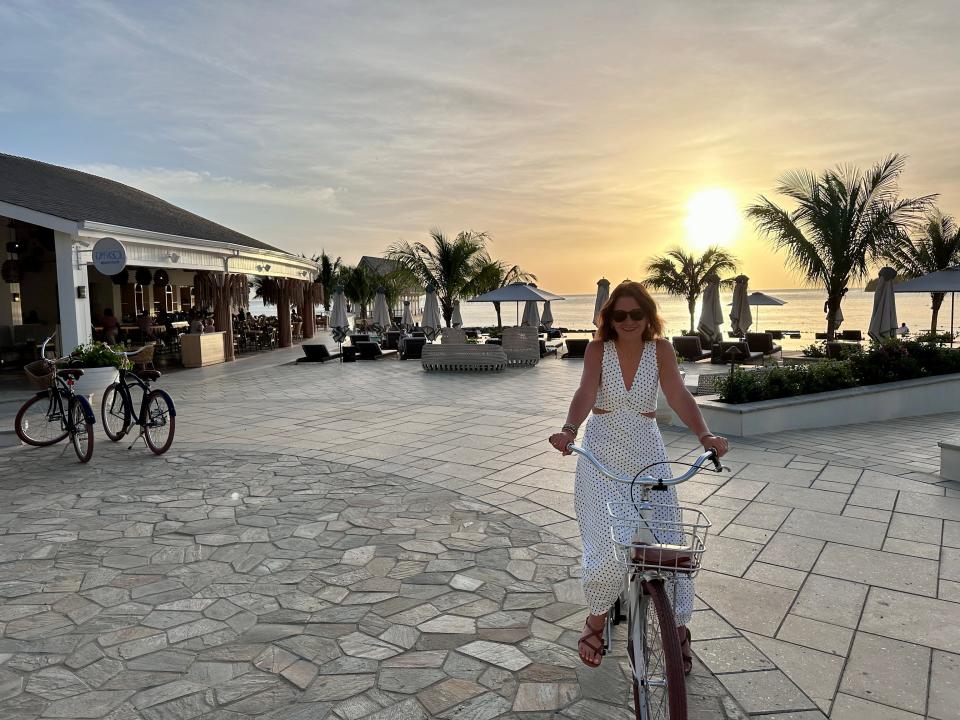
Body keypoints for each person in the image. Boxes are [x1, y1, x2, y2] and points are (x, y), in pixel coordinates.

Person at [548, 281, 729, 671]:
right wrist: (568, 429)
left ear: (648, 316)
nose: (628, 321)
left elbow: (678, 393)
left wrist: (705, 435)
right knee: (608, 550)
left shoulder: (660, 349)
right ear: (609, 319)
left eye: (636, 314)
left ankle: (678, 628)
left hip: (647, 452)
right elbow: (584, 391)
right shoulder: (599, 350)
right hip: (600, 453)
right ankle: (595, 618)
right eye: (619, 315)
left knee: (671, 548)